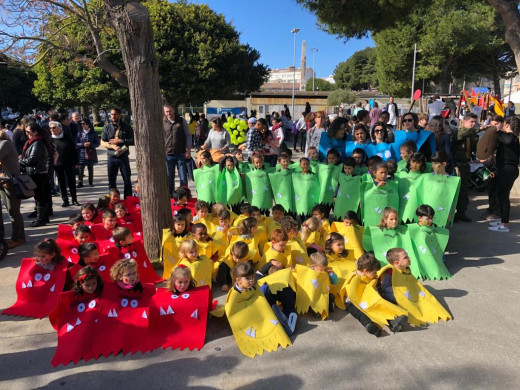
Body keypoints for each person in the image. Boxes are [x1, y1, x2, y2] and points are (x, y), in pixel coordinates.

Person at [489, 116, 520, 233]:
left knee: (503, 197)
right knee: (501, 195)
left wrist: (496, 130)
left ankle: (505, 225)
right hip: (507, 169)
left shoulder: (511, 137)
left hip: (508, 170)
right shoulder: (512, 137)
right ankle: (503, 220)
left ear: (507, 125)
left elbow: (506, 139)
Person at [20, 121, 52, 227]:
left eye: (28, 132)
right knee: (40, 196)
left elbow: (32, 160)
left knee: (39, 197)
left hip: (37, 172)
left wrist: (19, 161)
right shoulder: (33, 142)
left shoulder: (38, 143)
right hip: (35, 172)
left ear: (35, 132)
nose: (27, 134)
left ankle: (41, 219)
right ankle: (43, 217)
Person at [101, 108, 134, 198]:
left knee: (127, 180)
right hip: (111, 157)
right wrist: (113, 146)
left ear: (119, 115)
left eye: (115, 114)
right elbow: (103, 142)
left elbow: (133, 140)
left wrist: (121, 140)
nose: (113, 116)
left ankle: (127, 200)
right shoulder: (107, 127)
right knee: (111, 181)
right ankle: (113, 200)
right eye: (111, 114)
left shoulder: (126, 127)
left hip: (123, 157)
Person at [0, 131, 26, 248]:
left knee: (13, 211)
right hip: (4, 181)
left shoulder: (4, 143)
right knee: (13, 210)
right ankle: (21, 236)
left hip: (11, 182)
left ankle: (16, 238)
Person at [452, 113, 478, 222]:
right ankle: (451, 214)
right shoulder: (458, 132)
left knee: (464, 191)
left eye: (475, 122)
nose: (473, 124)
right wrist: (477, 129)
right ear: (464, 121)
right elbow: (460, 136)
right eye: (471, 122)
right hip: (456, 166)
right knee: (454, 191)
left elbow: (475, 147)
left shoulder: (472, 134)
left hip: (465, 165)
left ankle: (461, 213)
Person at [163, 105, 191, 197]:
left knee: (183, 177)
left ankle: (184, 196)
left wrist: (188, 150)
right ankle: (171, 197)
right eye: (166, 111)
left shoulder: (181, 121)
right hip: (168, 154)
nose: (168, 113)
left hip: (180, 153)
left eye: (170, 111)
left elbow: (188, 135)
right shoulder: (162, 122)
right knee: (169, 178)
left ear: (174, 110)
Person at [50, 121, 79, 207]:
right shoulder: (50, 140)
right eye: (51, 128)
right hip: (58, 164)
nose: (52, 129)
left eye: (54, 127)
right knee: (61, 183)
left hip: (69, 162)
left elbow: (74, 150)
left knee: (71, 182)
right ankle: (65, 200)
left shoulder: (67, 137)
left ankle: (74, 199)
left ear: (59, 128)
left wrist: (76, 162)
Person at [76, 118, 100, 188]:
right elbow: (76, 143)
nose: (82, 125)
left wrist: (91, 145)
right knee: (80, 169)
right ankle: (80, 182)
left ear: (88, 124)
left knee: (90, 168)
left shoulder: (93, 133)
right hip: (81, 153)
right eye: (81, 124)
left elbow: (97, 143)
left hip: (90, 152)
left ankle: (90, 182)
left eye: (84, 124)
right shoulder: (79, 133)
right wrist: (82, 145)